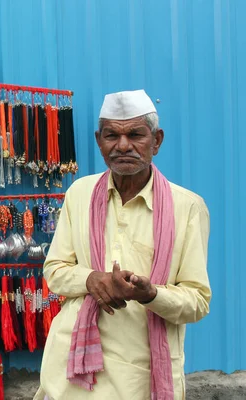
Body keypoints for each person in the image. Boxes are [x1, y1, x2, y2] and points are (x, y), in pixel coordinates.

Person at [34, 90, 211, 400]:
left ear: (157, 140)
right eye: (111, 135)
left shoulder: (188, 207)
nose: (123, 145)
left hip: (140, 379)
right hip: (71, 377)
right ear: (99, 141)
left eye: (135, 134)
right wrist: (92, 279)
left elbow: (197, 301)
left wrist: (151, 294)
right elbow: (55, 270)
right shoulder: (80, 193)